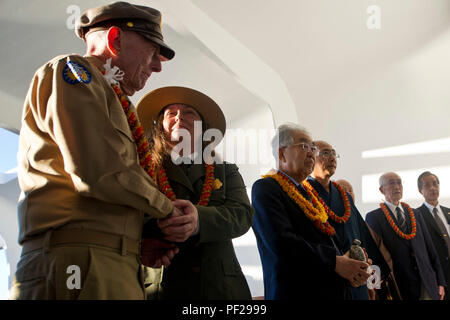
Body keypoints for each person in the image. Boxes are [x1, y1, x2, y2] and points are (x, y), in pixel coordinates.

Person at [10, 2, 184, 300]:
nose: (156, 66)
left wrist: (137, 240)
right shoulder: (73, 72)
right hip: (80, 264)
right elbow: (99, 171)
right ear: (115, 39)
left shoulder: (115, 99)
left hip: (108, 261)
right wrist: (170, 211)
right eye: (153, 52)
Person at [136, 86, 253, 300]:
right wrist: (157, 226)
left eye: (189, 112)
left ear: (203, 127)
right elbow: (128, 217)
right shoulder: (142, 169)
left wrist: (198, 220)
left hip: (219, 287)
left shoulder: (225, 170)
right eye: (171, 113)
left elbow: (243, 215)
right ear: (160, 125)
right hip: (162, 286)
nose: (179, 116)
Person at [252, 123, 370, 300]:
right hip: (297, 291)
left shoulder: (307, 193)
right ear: (281, 153)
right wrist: (336, 262)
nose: (311, 152)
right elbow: (282, 242)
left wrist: (349, 263)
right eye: (303, 146)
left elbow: (327, 236)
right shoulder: (266, 188)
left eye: (312, 147)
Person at [304, 141, 390, 300]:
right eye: (325, 153)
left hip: (358, 279)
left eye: (333, 153)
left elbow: (363, 236)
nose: (332, 158)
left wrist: (373, 279)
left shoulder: (343, 196)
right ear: (310, 157)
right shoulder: (304, 194)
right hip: (329, 278)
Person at [365, 172, 446, 300]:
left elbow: (430, 248)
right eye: (392, 183)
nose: (397, 187)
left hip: (426, 282)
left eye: (399, 183)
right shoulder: (374, 217)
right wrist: (375, 289)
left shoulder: (415, 213)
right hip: (398, 285)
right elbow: (373, 254)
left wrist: (441, 281)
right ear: (382, 190)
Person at [335, 178, 402, 300]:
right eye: (343, 190)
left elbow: (371, 252)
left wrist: (373, 285)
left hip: (373, 282)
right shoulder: (335, 222)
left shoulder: (361, 220)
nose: (348, 194)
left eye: (350, 191)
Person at [416, 171, 450, 300]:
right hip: (438, 275)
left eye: (435, 184)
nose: (433, 188)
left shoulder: (448, 212)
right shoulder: (417, 215)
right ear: (420, 190)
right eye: (427, 185)